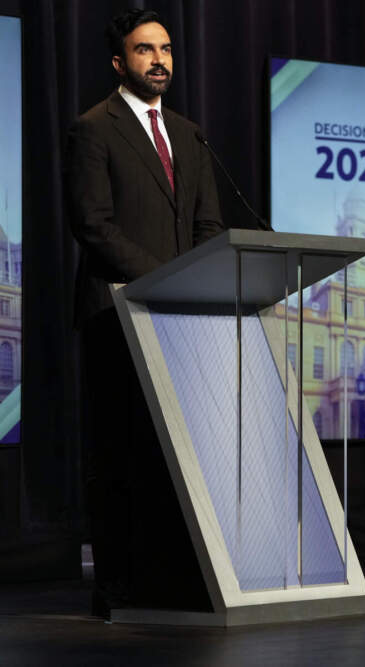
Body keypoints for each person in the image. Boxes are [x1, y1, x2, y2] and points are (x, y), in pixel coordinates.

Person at [65, 9, 224, 615]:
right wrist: (163, 277)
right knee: (120, 455)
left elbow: (208, 222)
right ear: (118, 62)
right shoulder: (93, 129)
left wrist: (199, 280)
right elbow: (92, 225)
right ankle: (117, 585)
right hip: (118, 314)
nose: (159, 60)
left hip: (184, 318)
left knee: (174, 455)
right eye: (143, 50)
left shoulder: (189, 132)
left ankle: (172, 579)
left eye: (165, 49)